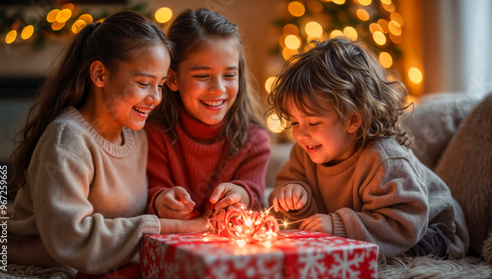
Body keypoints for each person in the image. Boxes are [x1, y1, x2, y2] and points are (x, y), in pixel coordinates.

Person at [0, 11, 207, 276]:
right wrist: (168, 227)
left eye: (160, 85)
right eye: (143, 83)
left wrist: (162, 204)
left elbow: (126, 213)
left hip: (100, 266)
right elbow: (72, 238)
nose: (155, 98)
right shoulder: (67, 141)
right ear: (99, 74)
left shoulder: (137, 137)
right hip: (36, 266)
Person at [267, 37, 470, 260]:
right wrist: (293, 193)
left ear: (353, 120)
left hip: (432, 228)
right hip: (376, 223)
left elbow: (404, 223)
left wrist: (337, 226)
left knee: (396, 256)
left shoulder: (384, 159)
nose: (300, 134)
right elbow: (294, 207)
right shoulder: (305, 152)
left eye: (313, 122)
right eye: (295, 122)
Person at [145, 8, 271, 220]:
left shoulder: (254, 141)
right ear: (172, 79)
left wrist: (240, 196)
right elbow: (151, 194)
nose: (218, 88)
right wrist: (160, 201)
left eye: (229, 75)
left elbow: (254, 195)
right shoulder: (153, 135)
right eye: (203, 75)